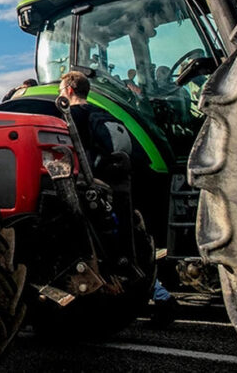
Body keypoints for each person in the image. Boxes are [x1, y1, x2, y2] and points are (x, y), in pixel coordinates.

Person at [58, 70, 177, 323]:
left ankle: (155, 295)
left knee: (107, 250)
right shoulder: (107, 114)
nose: (60, 93)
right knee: (125, 246)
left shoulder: (73, 116)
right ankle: (160, 295)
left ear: (69, 90)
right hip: (117, 188)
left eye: (60, 89)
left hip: (91, 189)